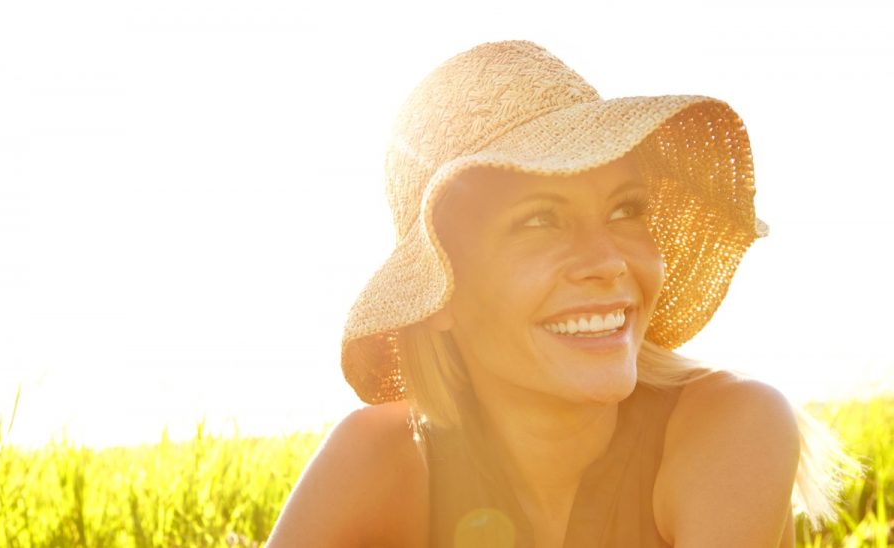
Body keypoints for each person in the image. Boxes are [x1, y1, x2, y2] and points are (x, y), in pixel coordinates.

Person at [265, 41, 846, 547]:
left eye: (626, 210)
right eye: (539, 220)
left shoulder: (732, 427)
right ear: (439, 293)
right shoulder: (377, 459)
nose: (609, 261)